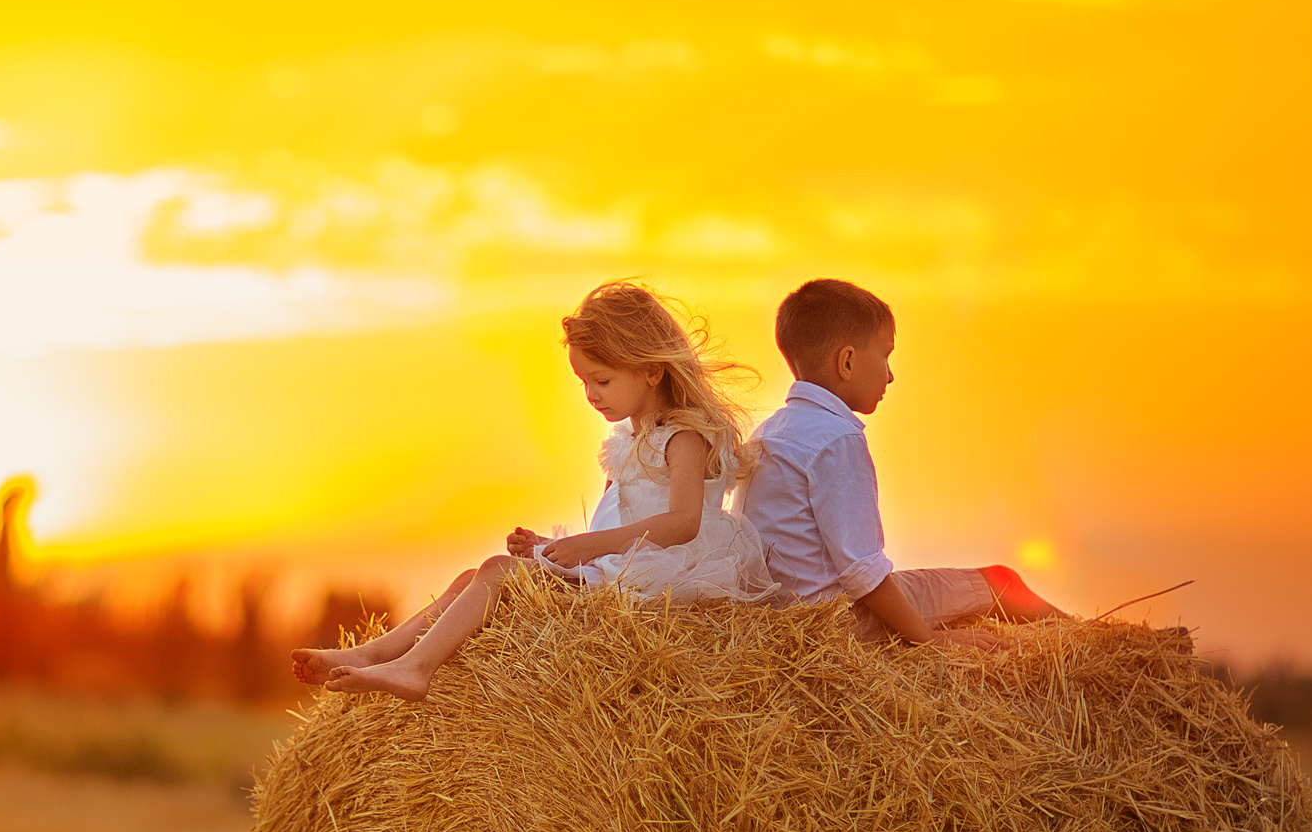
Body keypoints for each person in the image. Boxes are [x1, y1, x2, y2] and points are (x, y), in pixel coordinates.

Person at [294, 281, 775, 701]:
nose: (590, 393)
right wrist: (551, 547)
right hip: (618, 569)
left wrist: (586, 546)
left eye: (602, 380)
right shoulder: (627, 441)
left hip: (660, 583)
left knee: (498, 572)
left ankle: (416, 669)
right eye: (583, 381)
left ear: (652, 369)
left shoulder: (683, 436)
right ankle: (377, 651)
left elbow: (682, 522)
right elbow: (611, 524)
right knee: (471, 578)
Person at [739, 277, 1068, 648]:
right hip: (838, 624)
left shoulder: (768, 431)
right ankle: (1090, 641)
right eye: (885, 355)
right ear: (847, 361)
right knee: (1000, 581)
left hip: (779, 622)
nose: (891, 374)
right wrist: (930, 640)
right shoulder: (837, 438)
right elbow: (862, 570)